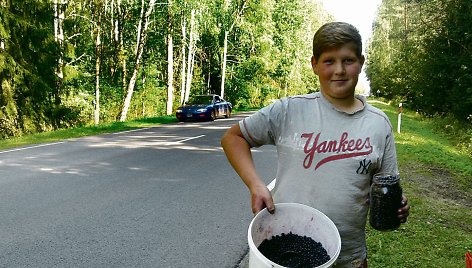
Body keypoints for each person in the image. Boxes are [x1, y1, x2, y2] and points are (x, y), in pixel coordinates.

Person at [221, 22, 410, 268]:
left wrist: (395, 204)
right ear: (314, 65)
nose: (339, 70)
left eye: (348, 60)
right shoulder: (289, 110)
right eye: (329, 61)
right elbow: (233, 138)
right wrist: (256, 185)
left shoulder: (378, 125)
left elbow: (385, 185)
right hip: (285, 249)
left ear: (361, 62)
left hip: (349, 256)